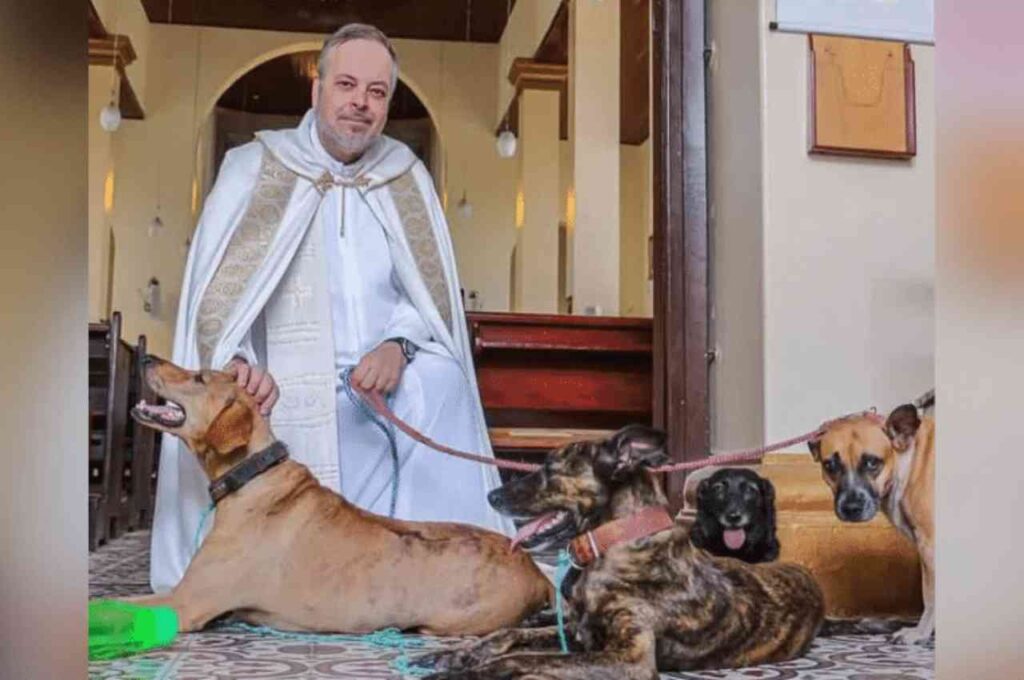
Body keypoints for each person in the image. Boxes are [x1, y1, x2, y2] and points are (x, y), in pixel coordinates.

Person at [149, 23, 514, 593]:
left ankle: (427, 565)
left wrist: (400, 345)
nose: (360, 104)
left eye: (376, 92)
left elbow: (429, 299)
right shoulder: (256, 168)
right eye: (347, 85)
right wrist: (240, 364)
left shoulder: (405, 177)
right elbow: (218, 304)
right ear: (317, 89)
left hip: (379, 377)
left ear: (389, 103)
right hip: (282, 382)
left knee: (442, 380)